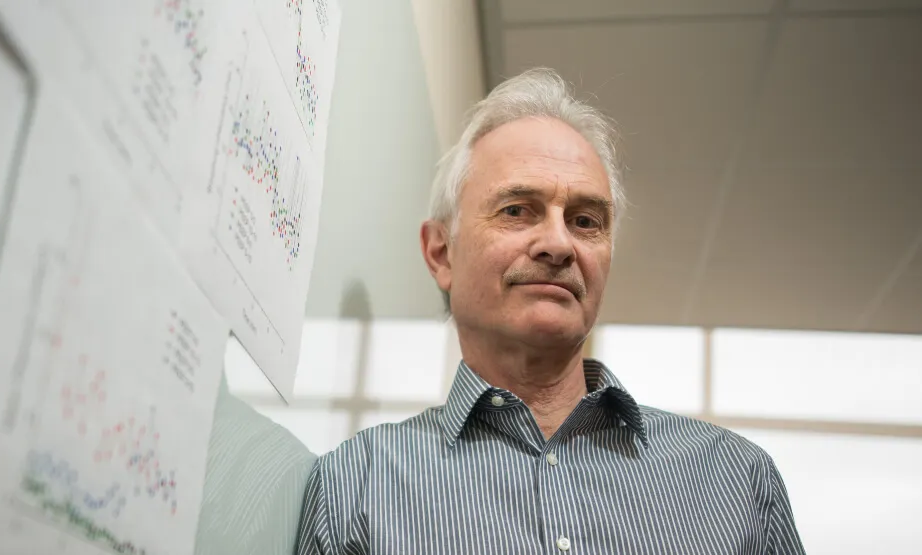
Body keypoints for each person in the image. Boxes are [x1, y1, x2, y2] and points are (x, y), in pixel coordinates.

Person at [293, 68, 805, 554]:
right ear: (441, 253)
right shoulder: (356, 489)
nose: (558, 244)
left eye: (585, 220)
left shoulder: (737, 483)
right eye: (517, 210)